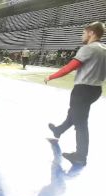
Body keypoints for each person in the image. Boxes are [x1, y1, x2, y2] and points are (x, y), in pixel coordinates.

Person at [44, 21, 106, 166]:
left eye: (84, 32)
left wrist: (50, 77)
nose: (82, 35)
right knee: (74, 114)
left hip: (82, 90)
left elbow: (69, 68)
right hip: (96, 90)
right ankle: (58, 130)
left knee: (81, 123)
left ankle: (81, 156)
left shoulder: (88, 48)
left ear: (91, 33)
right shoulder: (104, 49)